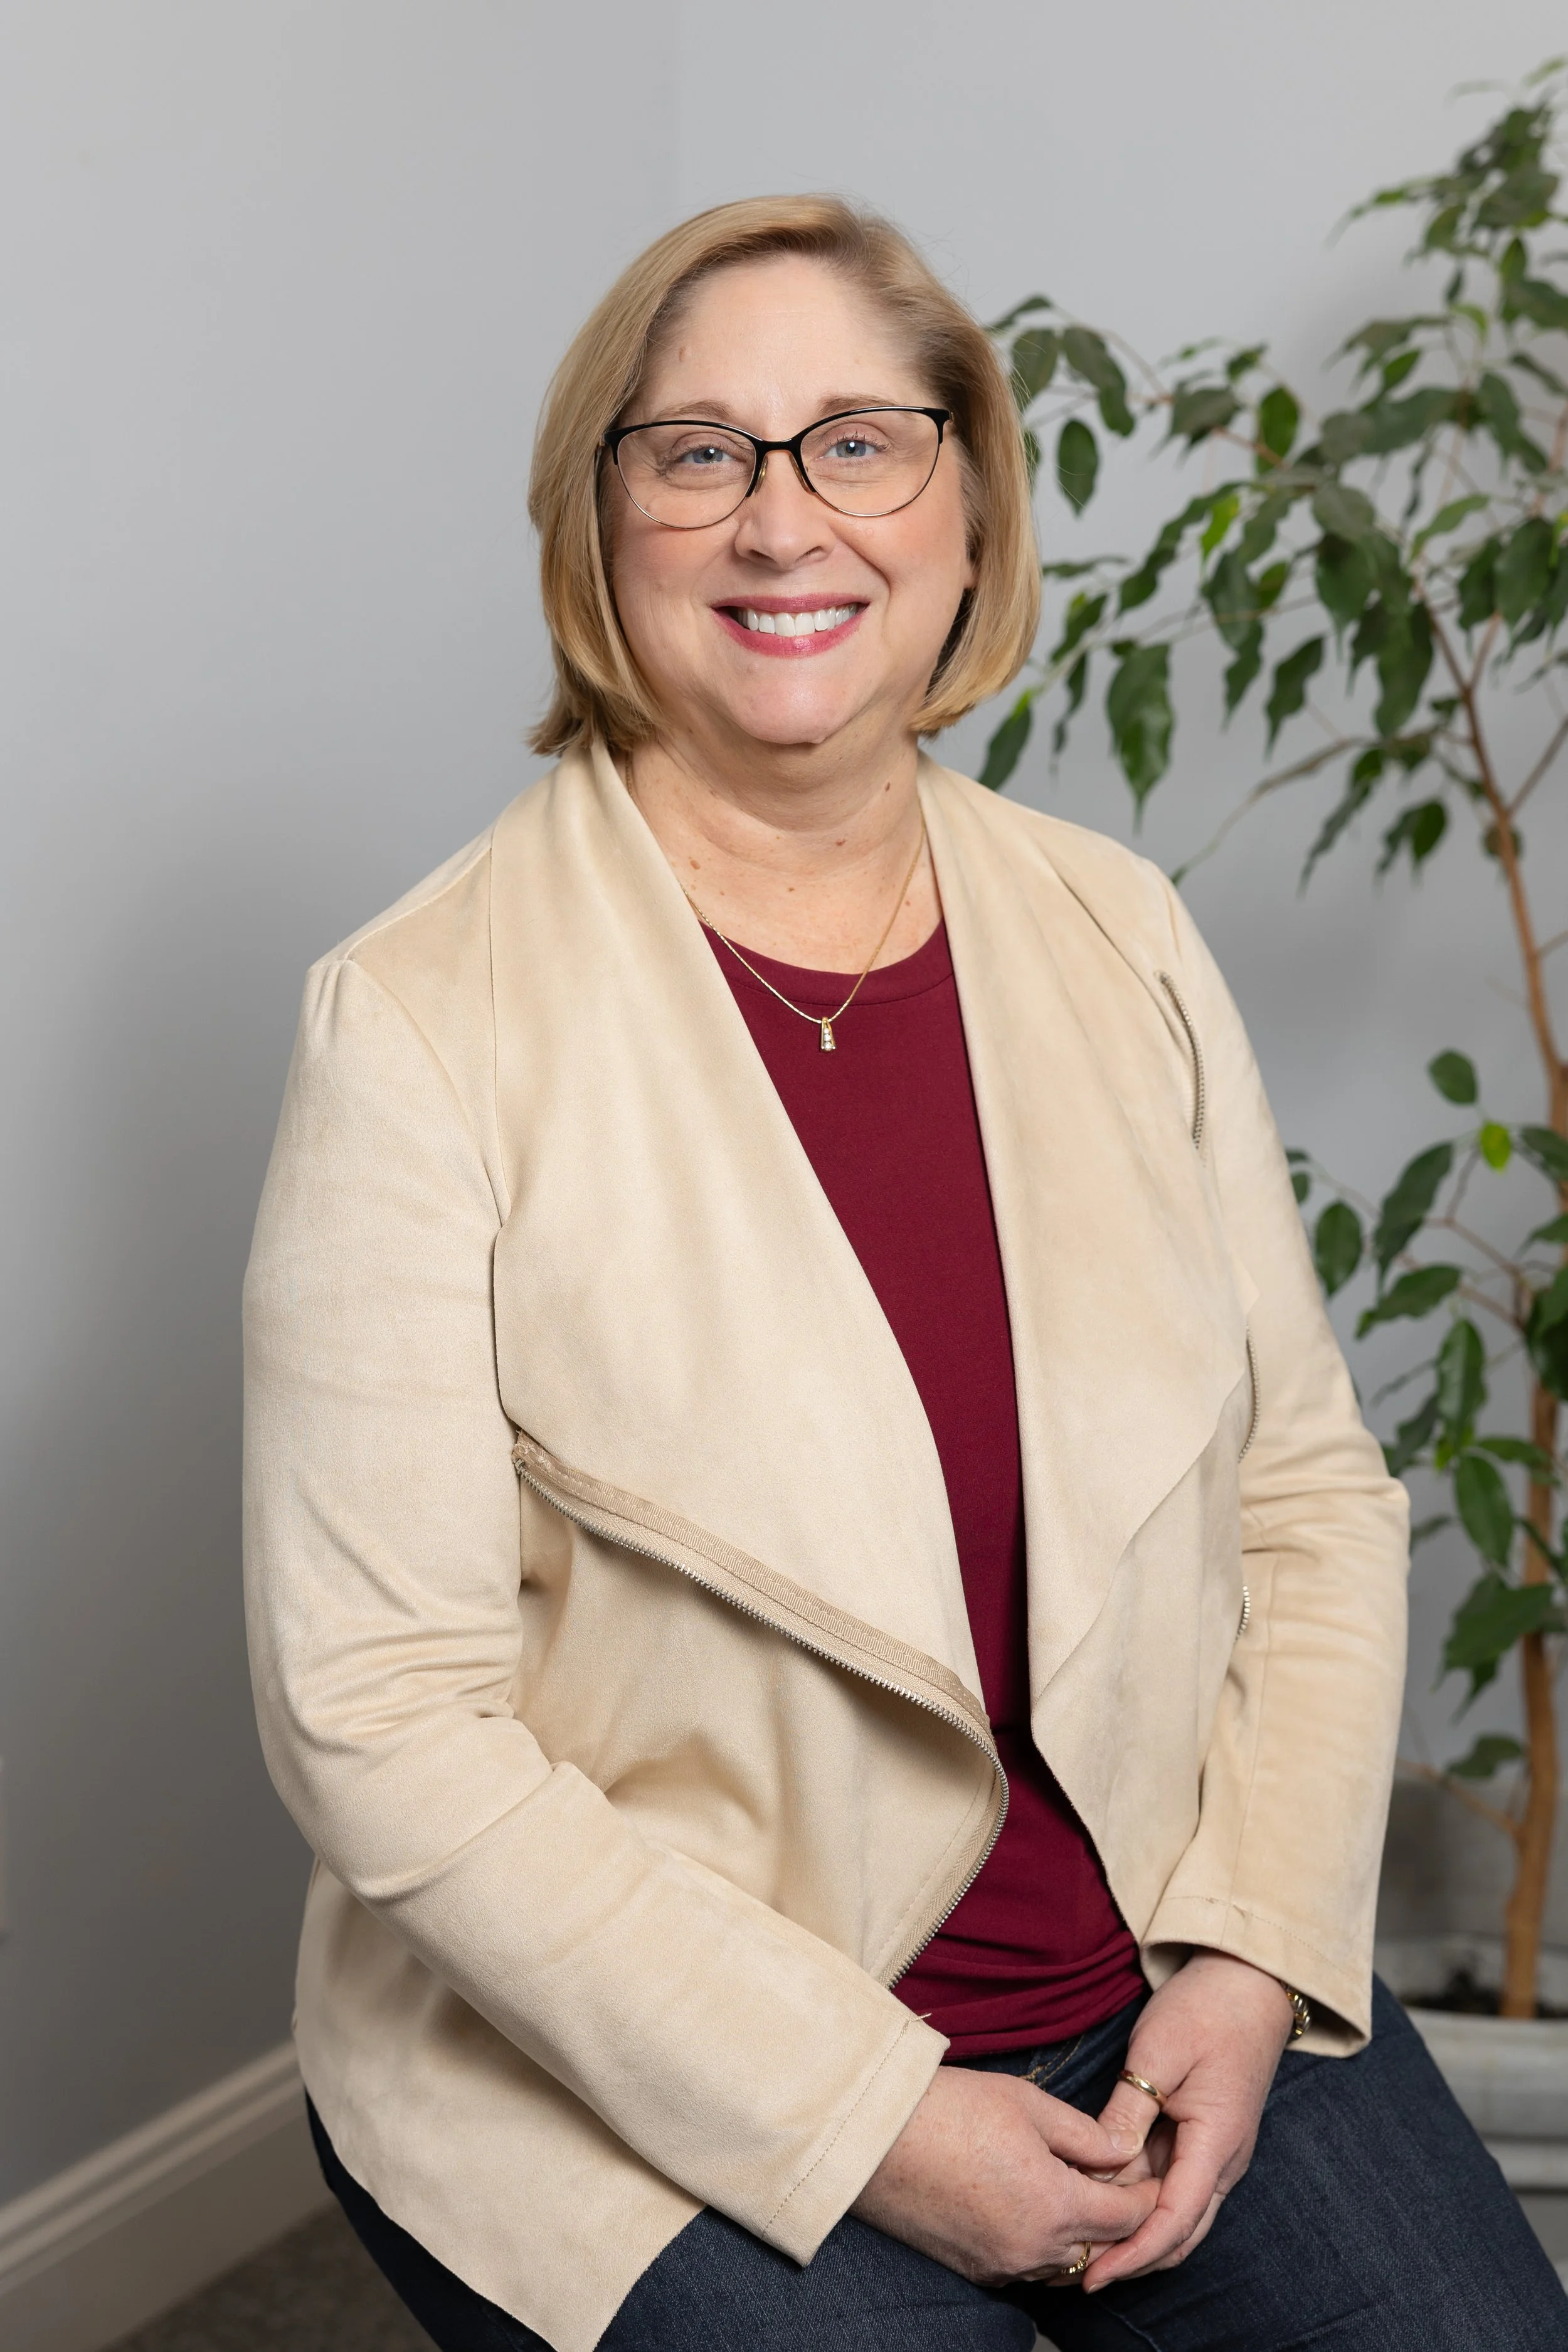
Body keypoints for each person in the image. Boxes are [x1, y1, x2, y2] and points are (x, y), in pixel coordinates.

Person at [243, 195, 1567, 2352]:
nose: (784, 522)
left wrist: (1248, 1956)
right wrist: (864, 2116)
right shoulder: (414, 1023)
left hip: (1145, 1959)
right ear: (602, 528)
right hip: (648, 2060)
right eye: (698, 452)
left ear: (964, 503)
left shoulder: (1118, 926)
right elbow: (380, 1722)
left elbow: (1305, 1494)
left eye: (857, 439)